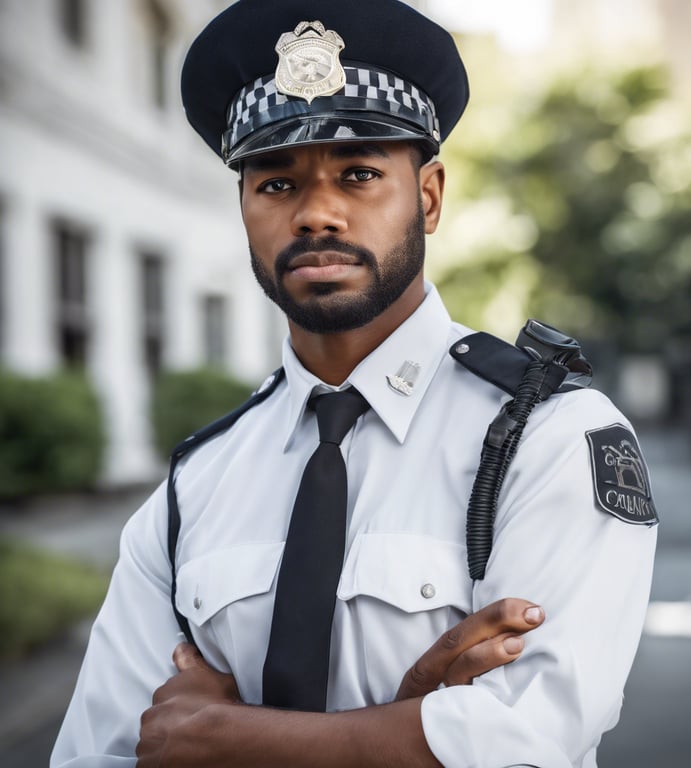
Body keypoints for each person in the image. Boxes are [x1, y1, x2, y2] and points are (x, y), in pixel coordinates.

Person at [51, 1, 658, 766]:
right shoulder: (193, 489)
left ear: (429, 197)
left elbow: (528, 741)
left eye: (360, 174)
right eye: (277, 183)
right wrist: (411, 727)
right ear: (243, 208)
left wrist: (228, 738)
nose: (317, 214)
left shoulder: (551, 439)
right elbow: (100, 753)